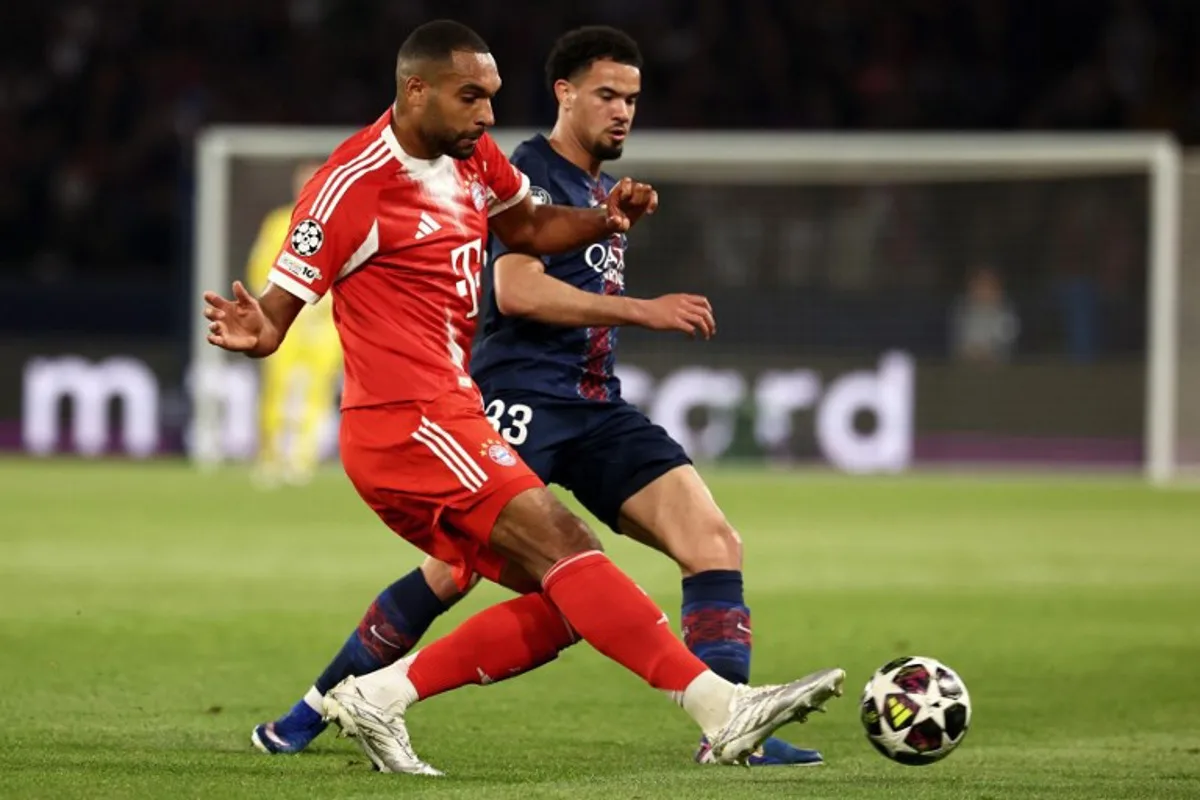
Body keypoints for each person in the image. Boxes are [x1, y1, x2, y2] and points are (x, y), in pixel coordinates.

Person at [205, 19, 843, 775]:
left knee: (573, 590)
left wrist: (603, 219)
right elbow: (279, 315)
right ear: (417, 90)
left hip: (494, 409)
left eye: (492, 96)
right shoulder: (350, 185)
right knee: (530, 560)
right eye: (471, 97)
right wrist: (257, 328)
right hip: (418, 421)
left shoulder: (474, 157)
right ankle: (724, 710)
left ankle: (375, 696)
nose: (487, 115)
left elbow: (531, 226)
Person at [244, 160, 341, 487]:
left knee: (316, 392)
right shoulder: (277, 223)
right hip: (285, 323)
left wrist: (325, 305)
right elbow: (260, 269)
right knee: (277, 389)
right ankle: (271, 457)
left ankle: (302, 459)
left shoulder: (341, 221)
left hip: (324, 326)